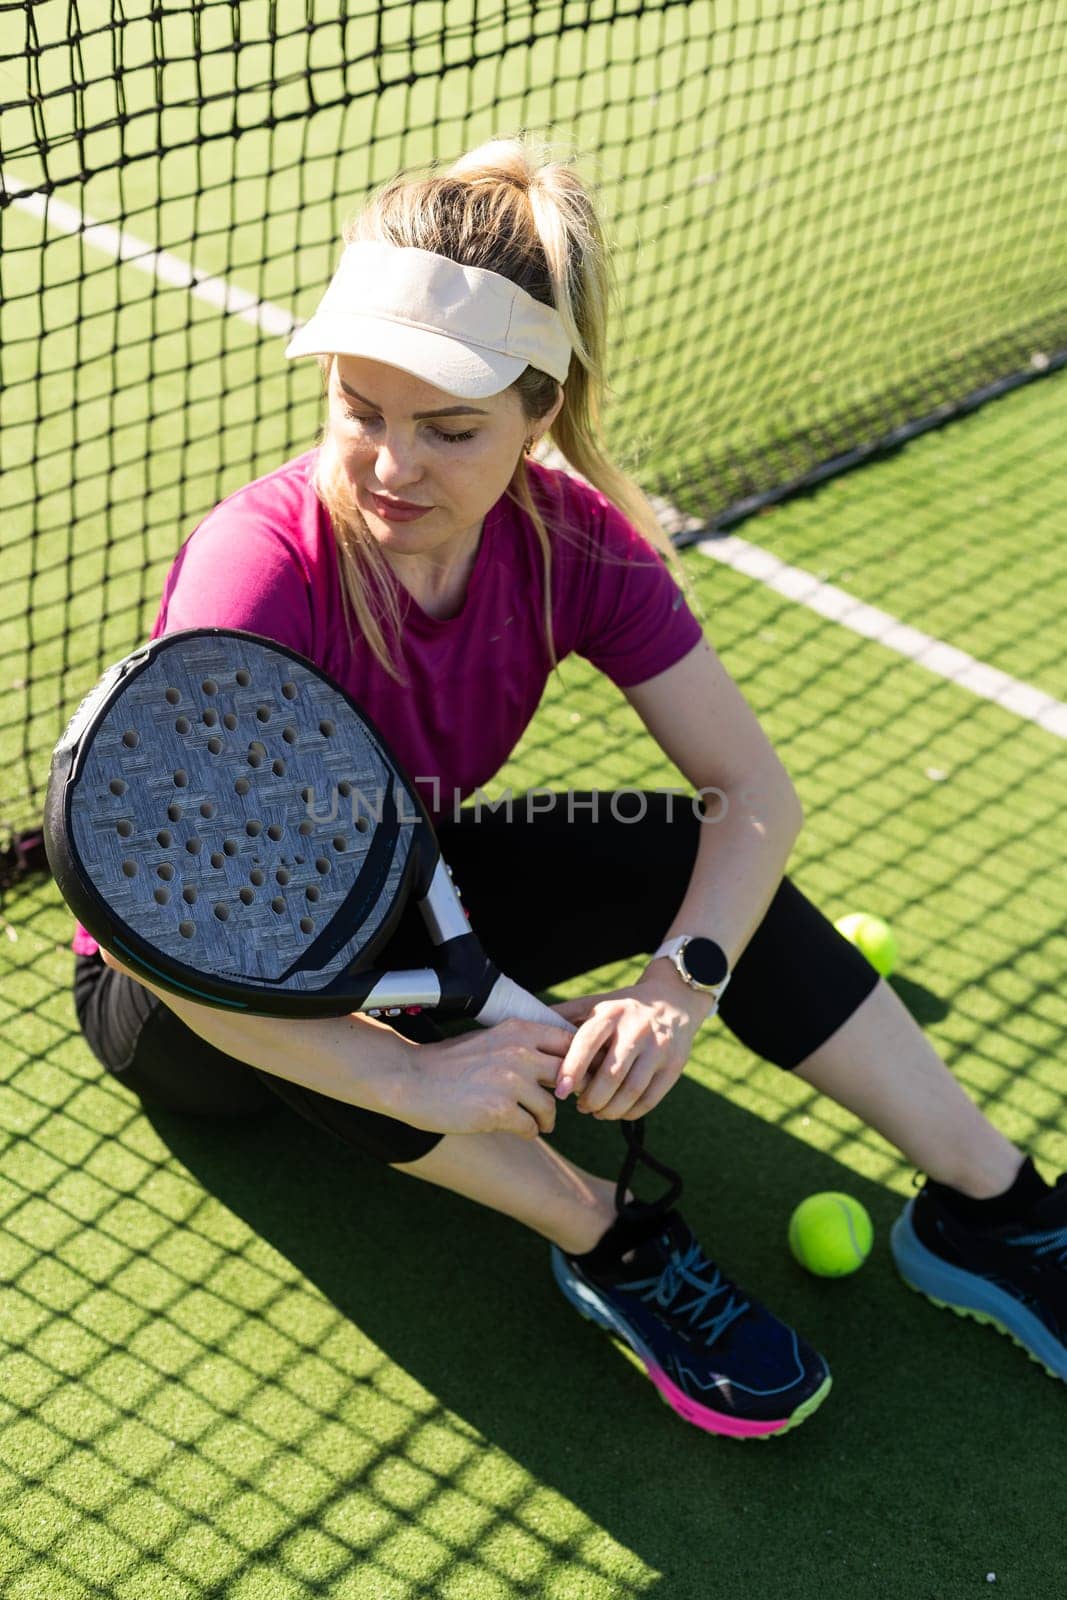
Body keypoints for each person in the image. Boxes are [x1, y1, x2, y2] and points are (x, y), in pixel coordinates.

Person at [71, 134, 1066, 1439]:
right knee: (360, 990)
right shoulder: (257, 578)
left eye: (449, 427)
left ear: (540, 412)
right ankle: (605, 1236)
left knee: (665, 849)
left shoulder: (575, 541)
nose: (389, 466)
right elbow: (195, 948)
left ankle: (998, 1212)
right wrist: (420, 1079)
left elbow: (751, 791)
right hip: (189, 989)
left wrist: (679, 982)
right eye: (359, 410)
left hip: (390, 879)